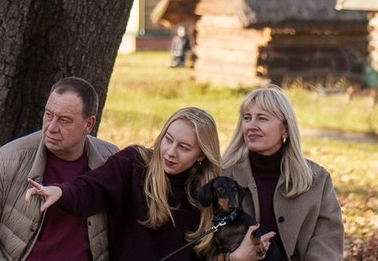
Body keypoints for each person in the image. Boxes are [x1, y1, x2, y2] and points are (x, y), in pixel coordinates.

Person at [26, 105, 270, 261]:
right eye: (168, 140)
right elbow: (93, 187)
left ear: (201, 155)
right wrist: (61, 192)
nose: (170, 152)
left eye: (184, 148)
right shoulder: (134, 163)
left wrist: (236, 257)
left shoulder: (208, 194)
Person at [0, 77, 119, 261]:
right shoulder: (7, 160)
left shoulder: (110, 161)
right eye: (48, 115)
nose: (51, 127)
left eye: (64, 120)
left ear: (89, 125)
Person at [221, 85, 344, 261]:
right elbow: (203, 242)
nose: (252, 126)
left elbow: (328, 241)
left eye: (262, 118)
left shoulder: (316, 179)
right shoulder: (223, 175)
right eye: (247, 118)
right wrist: (233, 258)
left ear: (285, 128)